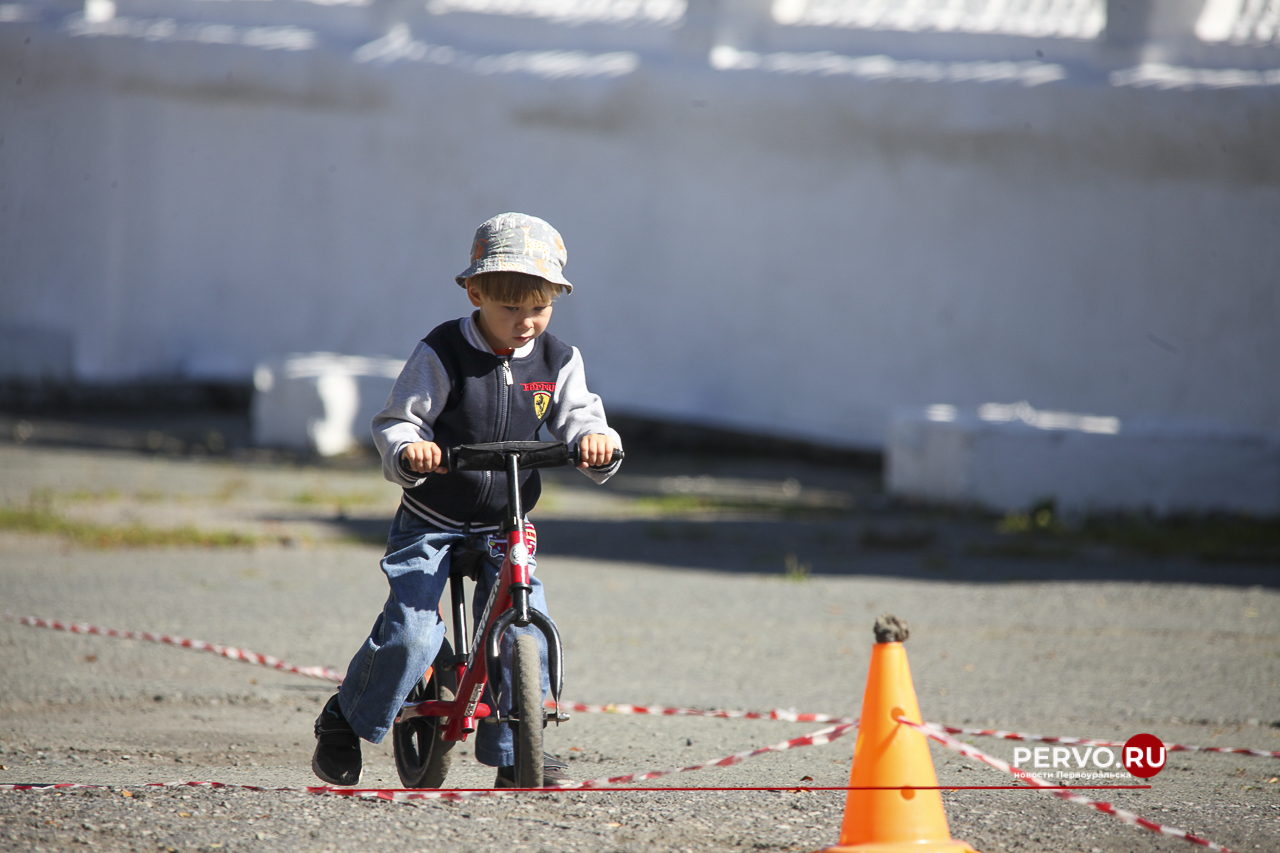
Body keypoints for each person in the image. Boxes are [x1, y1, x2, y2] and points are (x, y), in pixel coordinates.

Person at [311, 212, 621, 788]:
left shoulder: (559, 360)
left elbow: (582, 416)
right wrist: (411, 450)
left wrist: (594, 442)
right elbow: (398, 420)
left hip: (507, 522)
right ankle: (344, 717)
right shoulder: (443, 351)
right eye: (510, 308)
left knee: (524, 626)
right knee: (412, 632)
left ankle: (516, 746)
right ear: (475, 292)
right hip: (434, 519)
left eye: (540, 307)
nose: (526, 322)